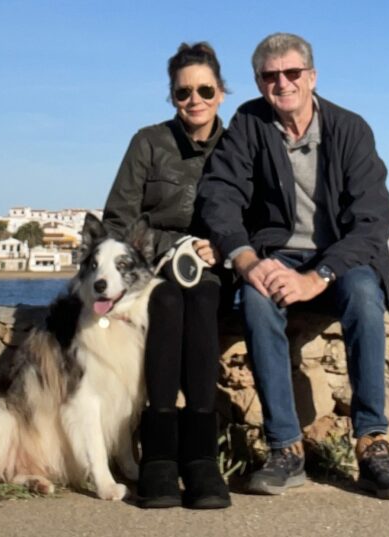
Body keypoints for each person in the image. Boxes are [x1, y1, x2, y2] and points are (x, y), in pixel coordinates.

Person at [196, 33, 389, 500]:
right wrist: (246, 258)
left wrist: (318, 277)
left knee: (362, 295)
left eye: (293, 73)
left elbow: (374, 219)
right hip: (274, 253)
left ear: (311, 77)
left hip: (339, 256)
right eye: (271, 76)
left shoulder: (350, 129)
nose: (283, 83)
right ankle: (285, 448)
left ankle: (373, 442)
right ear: (259, 82)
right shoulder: (250, 124)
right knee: (256, 299)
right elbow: (220, 196)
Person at [103, 42, 231, 509]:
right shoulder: (148, 143)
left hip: (214, 270)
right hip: (152, 269)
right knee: (168, 301)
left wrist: (221, 248)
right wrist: (168, 245)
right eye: (183, 93)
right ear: (172, 97)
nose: (194, 100)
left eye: (204, 90)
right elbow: (118, 221)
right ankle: (158, 454)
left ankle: (201, 458)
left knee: (199, 300)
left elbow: (256, 219)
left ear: (220, 93)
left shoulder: (239, 146)